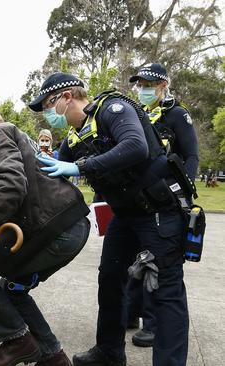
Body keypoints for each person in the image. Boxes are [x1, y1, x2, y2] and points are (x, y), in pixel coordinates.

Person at [29, 72, 189, 366]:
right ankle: (110, 352)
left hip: (157, 210)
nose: (47, 113)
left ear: (67, 97)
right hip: (124, 215)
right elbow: (49, 175)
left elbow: (135, 146)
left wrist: (79, 168)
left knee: (166, 290)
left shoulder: (113, 109)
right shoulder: (75, 138)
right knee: (111, 279)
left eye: (49, 104)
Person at [0, 106, 90, 366]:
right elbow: (10, 195)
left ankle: (17, 342)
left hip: (52, 230)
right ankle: (53, 357)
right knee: (13, 289)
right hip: (68, 226)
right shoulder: (16, 139)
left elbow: (11, 184)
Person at [124, 62, 200, 348]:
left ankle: (153, 324)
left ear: (163, 85)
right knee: (132, 261)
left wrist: (186, 189)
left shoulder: (177, 115)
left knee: (156, 265)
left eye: (148, 85)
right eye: (139, 85)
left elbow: (190, 155)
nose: (142, 89)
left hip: (166, 199)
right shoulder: (139, 115)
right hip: (138, 199)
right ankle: (130, 314)